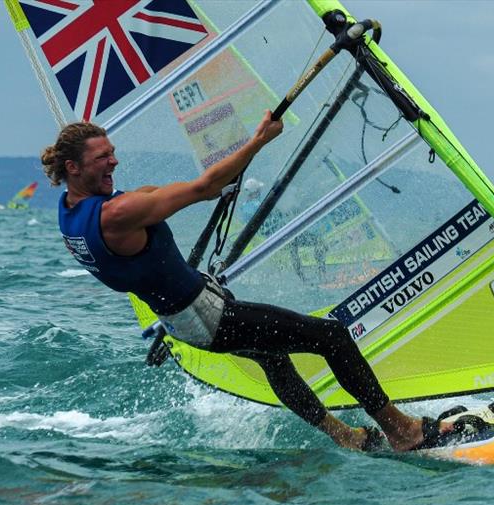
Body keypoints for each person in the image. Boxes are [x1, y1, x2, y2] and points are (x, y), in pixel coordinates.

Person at [42, 111, 449, 452]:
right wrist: (258, 141)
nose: (113, 162)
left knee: (273, 357)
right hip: (208, 316)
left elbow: (170, 193)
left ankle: (345, 436)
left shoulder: (71, 215)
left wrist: (216, 181)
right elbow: (201, 188)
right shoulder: (116, 214)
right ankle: (402, 431)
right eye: (102, 158)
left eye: (113, 153)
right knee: (332, 337)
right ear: (73, 168)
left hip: (182, 322)